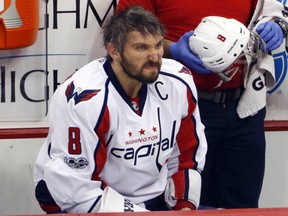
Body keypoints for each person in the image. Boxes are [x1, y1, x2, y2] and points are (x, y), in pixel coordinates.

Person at [33, 6, 207, 213]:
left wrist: (183, 206)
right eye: (141, 48)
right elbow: (76, 188)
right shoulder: (85, 98)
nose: (154, 57)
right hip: (79, 200)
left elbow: (186, 158)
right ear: (114, 51)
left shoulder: (179, 81)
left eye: (158, 45)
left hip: (153, 199)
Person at [117, 0, 288, 209]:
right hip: (177, 112)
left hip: (242, 110)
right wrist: (171, 49)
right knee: (181, 204)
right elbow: (126, 31)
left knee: (242, 207)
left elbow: (271, 11)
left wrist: (275, 25)